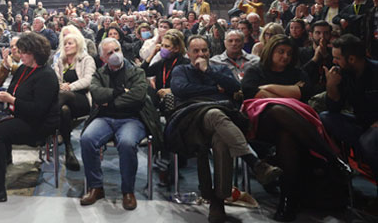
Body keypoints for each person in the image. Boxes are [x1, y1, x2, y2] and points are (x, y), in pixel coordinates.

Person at [167, 36, 282, 223]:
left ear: (209, 52)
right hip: (191, 120)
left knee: (221, 141)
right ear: (188, 54)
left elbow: (236, 87)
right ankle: (253, 161)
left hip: (221, 120)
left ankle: (217, 202)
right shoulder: (181, 70)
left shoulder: (218, 69)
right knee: (214, 113)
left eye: (204, 50)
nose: (200, 54)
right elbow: (180, 90)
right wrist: (215, 90)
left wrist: (208, 71)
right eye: (196, 51)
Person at [241, 35, 350, 221]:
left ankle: (288, 200)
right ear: (270, 51)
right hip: (261, 123)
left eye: (289, 53)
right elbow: (254, 93)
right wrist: (290, 91)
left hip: (293, 125)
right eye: (280, 52)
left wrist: (268, 89)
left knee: (286, 134)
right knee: (276, 109)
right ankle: (331, 157)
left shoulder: (297, 73)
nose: (285, 57)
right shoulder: (255, 70)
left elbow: (304, 93)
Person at [0, 32, 59, 203]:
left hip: (39, 124)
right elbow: (12, 91)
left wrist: (11, 100)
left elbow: (38, 110)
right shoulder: (24, 69)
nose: (19, 54)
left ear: (35, 53)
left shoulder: (47, 76)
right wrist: (2, 96)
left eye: (23, 52)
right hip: (19, 116)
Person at [79, 37, 162, 211]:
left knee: (126, 143)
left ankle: (128, 191)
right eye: (109, 53)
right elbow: (97, 94)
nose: (115, 54)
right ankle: (96, 187)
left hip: (132, 119)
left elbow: (137, 97)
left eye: (116, 50)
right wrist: (119, 92)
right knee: (87, 138)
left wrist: (111, 102)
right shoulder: (100, 74)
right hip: (104, 119)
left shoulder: (136, 72)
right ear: (103, 58)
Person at [320, 35, 378, 194]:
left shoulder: (375, 71)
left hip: (375, 125)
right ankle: (340, 175)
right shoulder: (344, 75)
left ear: (351, 59)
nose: (334, 62)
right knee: (325, 117)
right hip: (362, 123)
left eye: (337, 58)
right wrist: (331, 85)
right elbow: (334, 108)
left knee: (368, 141)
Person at [52, 30, 95, 171]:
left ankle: (45, 118)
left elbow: (88, 81)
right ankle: (69, 151)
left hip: (82, 99)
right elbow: (55, 81)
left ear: (78, 45)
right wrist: (61, 86)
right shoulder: (60, 61)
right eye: (65, 44)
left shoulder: (86, 59)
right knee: (64, 110)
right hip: (64, 101)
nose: (66, 46)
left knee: (66, 96)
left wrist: (69, 87)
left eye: (70, 43)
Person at [141, 29, 189, 113]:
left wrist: (171, 90)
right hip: (159, 98)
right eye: (162, 45)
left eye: (167, 46)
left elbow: (187, 86)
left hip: (176, 100)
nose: (163, 49)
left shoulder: (184, 63)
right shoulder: (162, 63)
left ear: (176, 48)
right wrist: (152, 54)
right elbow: (142, 72)